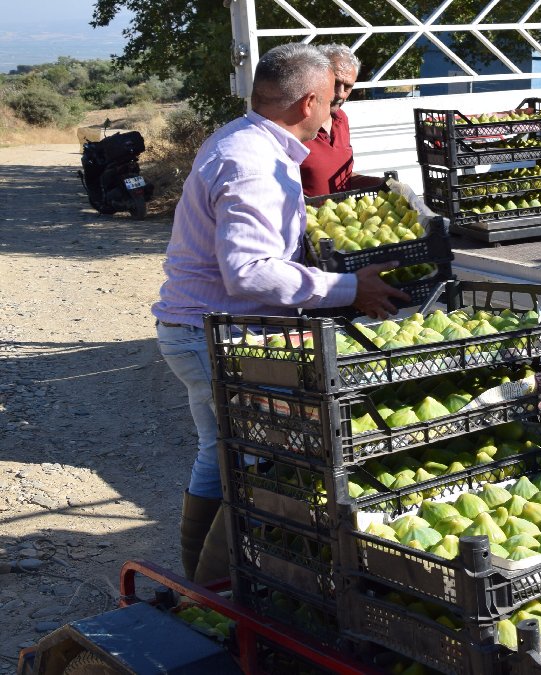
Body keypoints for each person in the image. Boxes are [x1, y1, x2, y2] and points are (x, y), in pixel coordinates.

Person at [151, 42, 409, 582]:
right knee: (252, 460)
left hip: (197, 328)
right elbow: (248, 272)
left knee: (219, 451)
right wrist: (348, 288)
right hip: (215, 335)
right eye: (330, 101)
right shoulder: (251, 163)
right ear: (309, 101)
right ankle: (223, 588)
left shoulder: (241, 139)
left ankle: (204, 585)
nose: (333, 112)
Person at [300, 43, 382, 197]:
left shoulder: (341, 119)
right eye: (335, 83)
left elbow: (343, 178)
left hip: (339, 212)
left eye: (348, 87)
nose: (341, 94)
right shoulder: (296, 123)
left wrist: (381, 183)